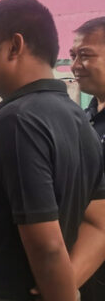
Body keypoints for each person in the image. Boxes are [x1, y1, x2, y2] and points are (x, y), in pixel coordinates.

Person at [0, 0, 105, 301]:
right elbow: (98, 222)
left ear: (14, 46)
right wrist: (65, 286)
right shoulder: (77, 117)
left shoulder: (18, 120)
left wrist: (59, 293)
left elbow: (47, 246)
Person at [69, 16, 105, 301]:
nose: (75, 66)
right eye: (73, 55)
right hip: (79, 265)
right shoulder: (84, 117)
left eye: (85, 55)